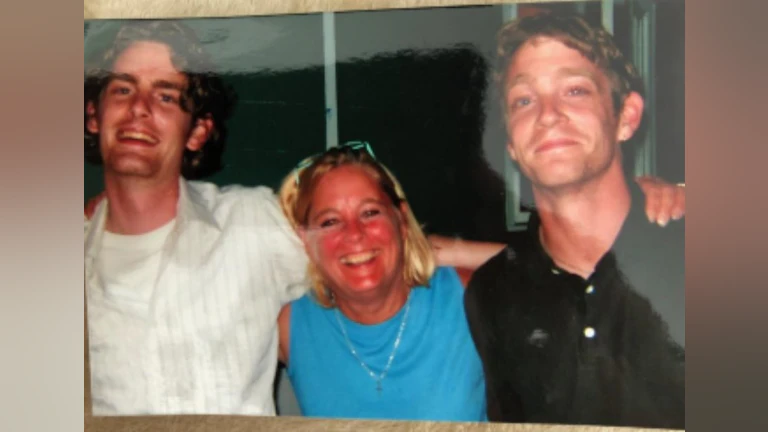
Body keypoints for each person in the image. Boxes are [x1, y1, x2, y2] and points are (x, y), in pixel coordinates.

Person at [462, 14, 685, 428]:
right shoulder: (492, 293)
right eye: (523, 100)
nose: (547, 114)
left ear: (626, 117)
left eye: (575, 90)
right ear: (511, 143)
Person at [84, 20, 310, 415]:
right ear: (94, 116)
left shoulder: (250, 222)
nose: (139, 108)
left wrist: (459, 256)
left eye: (166, 97)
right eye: (123, 89)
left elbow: (382, 254)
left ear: (197, 133)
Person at [274, 142, 486, 421]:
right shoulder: (289, 326)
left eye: (370, 212)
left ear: (400, 219)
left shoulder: (465, 296)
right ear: (305, 240)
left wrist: (451, 249)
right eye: (329, 221)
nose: (354, 234)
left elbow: (554, 271)